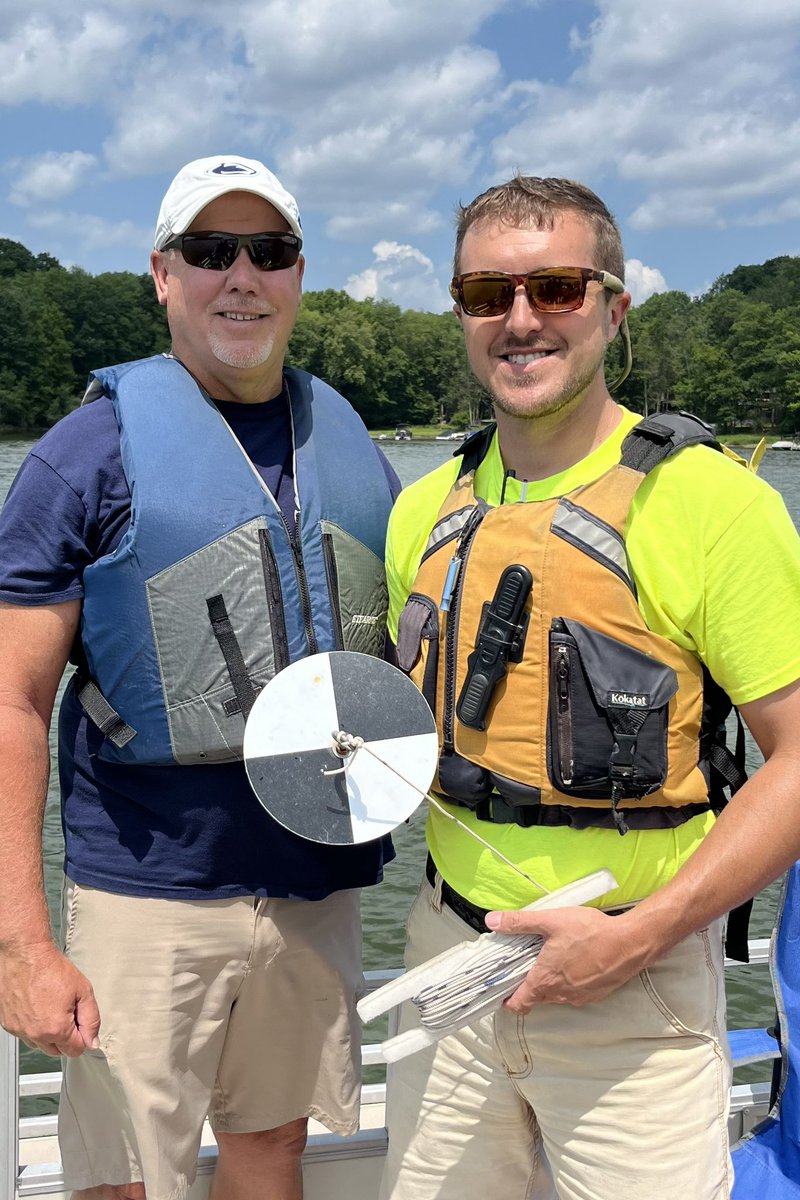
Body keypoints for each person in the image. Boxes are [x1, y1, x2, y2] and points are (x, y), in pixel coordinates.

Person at [379, 175, 800, 1200]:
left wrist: (639, 938)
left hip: (634, 984)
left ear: (613, 310)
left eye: (556, 287)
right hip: (449, 961)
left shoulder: (711, 506)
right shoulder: (422, 511)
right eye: (486, 295)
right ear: (461, 316)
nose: (519, 318)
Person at [0, 154, 400, 1200]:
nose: (240, 276)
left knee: (274, 1148)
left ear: (298, 276)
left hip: (314, 887)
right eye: (210, 250)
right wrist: (21, 942)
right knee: (128, 1177)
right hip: (147, 894)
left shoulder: (346, 440)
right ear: (162, 273)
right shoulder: (81, 458)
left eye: (266, 253)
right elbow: (12, 702)